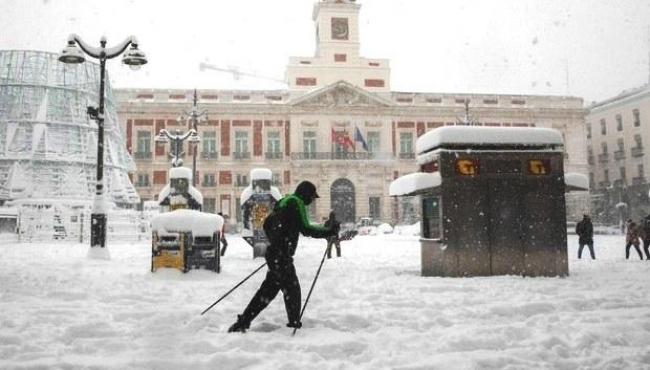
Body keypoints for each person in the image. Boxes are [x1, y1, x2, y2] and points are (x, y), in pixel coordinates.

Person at [227, 181, 338, 333]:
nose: (312, 201)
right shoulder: (296, 202)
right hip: (281, 256)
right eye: (312, 197)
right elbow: (306, 228)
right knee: (292, 289)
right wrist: (328, 231)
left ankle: (243, 322)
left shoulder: (283, 202)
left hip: (276, 254)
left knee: (268, 292)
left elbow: (267, 224)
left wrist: (277, 243)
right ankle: (293, 323)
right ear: (305, 194)